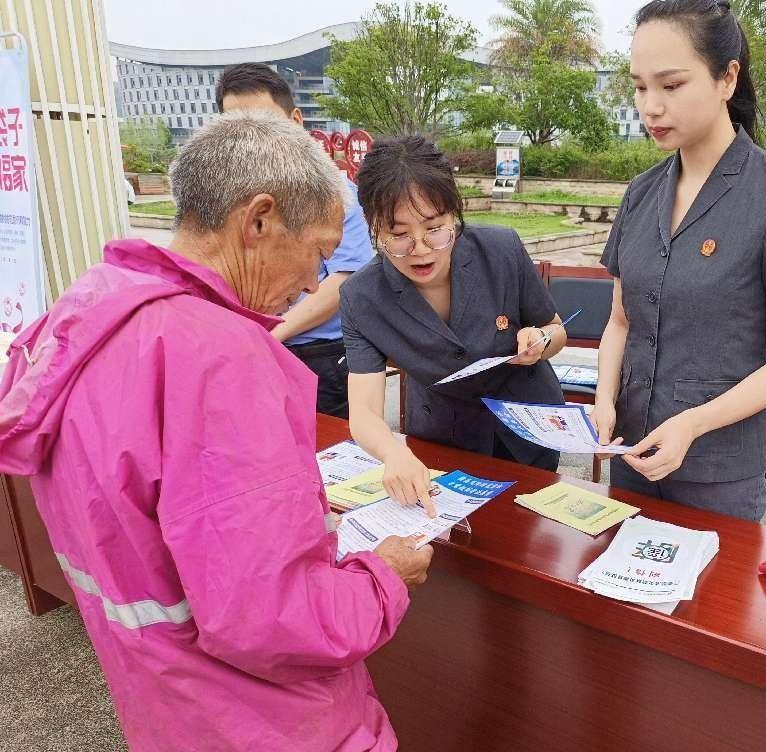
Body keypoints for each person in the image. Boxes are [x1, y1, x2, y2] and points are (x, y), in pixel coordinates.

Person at [0, 113, 432, 751]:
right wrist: (382, 576)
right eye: (316, 250)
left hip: (164, 704)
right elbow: (272, 617)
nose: (316, 281)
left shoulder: (88, 313)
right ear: (258, 221)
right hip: (269, 723)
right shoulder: (220, 359)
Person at [591, 0, 766, 521]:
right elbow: (619, 321)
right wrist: (604, 401)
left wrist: (694, 424)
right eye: (639, 87)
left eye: (671, 85)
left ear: (727, 79)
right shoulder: (640, 194)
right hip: (630, 452)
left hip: (717, 468)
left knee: (709, 599)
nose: (650, 106)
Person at [339, 135, 569, 513]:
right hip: (444, 438)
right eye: (398, 235)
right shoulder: (361, 297)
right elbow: (363, 411)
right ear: (373, 227)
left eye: (435, 228)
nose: (420, 248)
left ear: (454, 214)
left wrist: (541, 339)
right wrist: (391, 452)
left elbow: (557, 329)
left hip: (529, 427)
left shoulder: (500, 250)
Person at [217, 62, 374, 417]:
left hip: (319, 356)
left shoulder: (335, 196)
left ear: (296, 122)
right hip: (244, 352)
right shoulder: (221, 205)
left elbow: (346, 281)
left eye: (265, 126)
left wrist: (270, 335)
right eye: (237, 130)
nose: (253, 143)